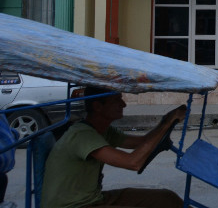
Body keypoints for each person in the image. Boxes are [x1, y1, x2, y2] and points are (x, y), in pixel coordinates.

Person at [42, 87, 186, 208]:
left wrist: (165, 122)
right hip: (74, 205)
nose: (123, 104)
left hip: (94, 199)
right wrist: (167, 124)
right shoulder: (81, 135)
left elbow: (142, 142)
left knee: (167, 199)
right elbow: (133, 162)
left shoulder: (104, 130)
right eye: (117, 100)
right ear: (98, 106)